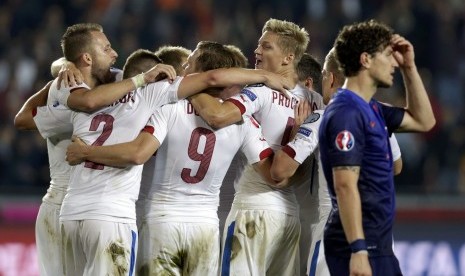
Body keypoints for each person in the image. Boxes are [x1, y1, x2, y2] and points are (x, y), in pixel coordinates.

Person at [64, 41, 284, 276]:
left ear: (201, 73)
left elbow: (138, 152)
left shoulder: (168, 107)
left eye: (189, 63)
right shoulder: (243, 121)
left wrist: (87, 152)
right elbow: (273, 174)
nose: (182, 68)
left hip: (161, 220)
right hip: (205, 226)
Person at [189, 18, 324, 275]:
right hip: (289, 217)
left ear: (288, 58)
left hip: (252, 211)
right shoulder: (315, 102)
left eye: (266, 46)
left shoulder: (260, 91)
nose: (257, 51)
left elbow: (217, 116)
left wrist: (188, 86)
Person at [271, 47, 403, 276]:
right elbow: (397, 166)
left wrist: (296, 133)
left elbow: (280, 170)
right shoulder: (378, 116)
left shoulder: (322, 118)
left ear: (330, 78)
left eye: (323, 74)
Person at [318, 20, 435, 275]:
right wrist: (358, 249)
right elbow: (345, 184)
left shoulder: (372, 108)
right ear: (366, 59)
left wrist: (410, 68)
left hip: (377, 244)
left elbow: (425, 121)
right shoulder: (345, 113)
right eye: (387, 55)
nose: (394, 62)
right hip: (357, 246)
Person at [14, 22, 125, 276]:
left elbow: (23, 118)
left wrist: (60, 69)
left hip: (99, 205)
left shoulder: (107, 83)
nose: (114, 53)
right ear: (87, 57)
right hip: (64, 204)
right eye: (106, 48)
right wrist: (59, 74)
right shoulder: (70, 104)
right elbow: (21, 120)